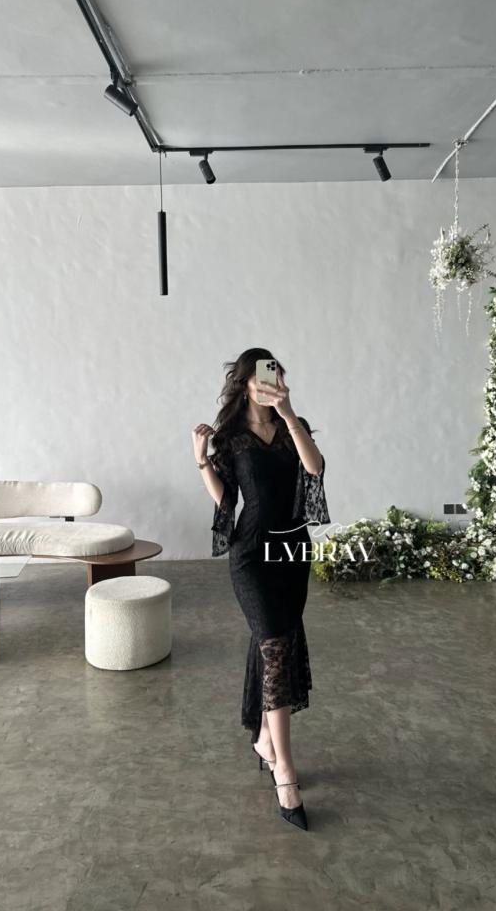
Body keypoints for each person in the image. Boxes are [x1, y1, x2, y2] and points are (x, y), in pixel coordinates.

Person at [191, 348, 330, 831]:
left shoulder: (294, 426)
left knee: (279, 643)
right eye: (262, 375)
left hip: (292, 552)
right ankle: (285, 772)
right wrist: (201, 461)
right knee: (272, 646)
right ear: (246, 383)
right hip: (250, 553)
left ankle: (265, 741)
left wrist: (289, 415)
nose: (271, 382)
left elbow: (314, 470)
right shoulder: (231, 437)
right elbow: (227, 501)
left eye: (277, 373)